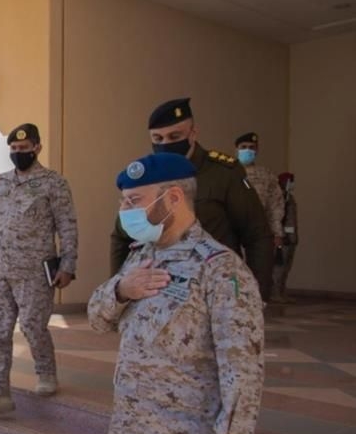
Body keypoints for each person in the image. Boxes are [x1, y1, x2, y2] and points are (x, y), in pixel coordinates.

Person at [88, 152, 265, 434]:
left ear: (172, 198)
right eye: (123, 201)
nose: (124, 211)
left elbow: (243, 377)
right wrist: (121, 290)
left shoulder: (220, 270)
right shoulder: (140, 257)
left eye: (134, 201)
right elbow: (97, 319)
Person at [109, 98, 274, 301]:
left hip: (211, 290)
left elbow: (256, 234)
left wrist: (257, 295)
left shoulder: (223, 173)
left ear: (193, 134)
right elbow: (121, 237)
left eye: (175, 136)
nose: (165, 144)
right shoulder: (147, 178)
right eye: (158, 138)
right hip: (155, 294)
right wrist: (118, 290)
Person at [0, 123, 78, 421]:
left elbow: (67, 225)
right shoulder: (1, 182)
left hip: (34, 272)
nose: (18, 153)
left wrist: (68, 265)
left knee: (32, 325)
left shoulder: (53, 183)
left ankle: (46, 372)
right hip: (2, 270)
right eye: (14, 149)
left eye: (24, 148)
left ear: (37, 147)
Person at [234, 132, 285, 249]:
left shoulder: (266, 175)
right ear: (236, 150)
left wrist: (277, 233)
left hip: (259, 232)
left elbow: (275, 205)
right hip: (233, 233)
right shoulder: (227, 172)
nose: (247, 150)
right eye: (243, 147)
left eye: (251, 147)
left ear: (257, 150)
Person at [272, 172, 299, 304]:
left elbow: (291, 220)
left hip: (290, 238)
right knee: (279, 268)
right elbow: (277, 218)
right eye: (290, 181)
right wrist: (279, 235)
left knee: (286, 267)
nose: (291, 184)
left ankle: (282, 291)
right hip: (282, 237)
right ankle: (275, 293)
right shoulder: (279, 197)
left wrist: (292, 236)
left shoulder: (289, 197)